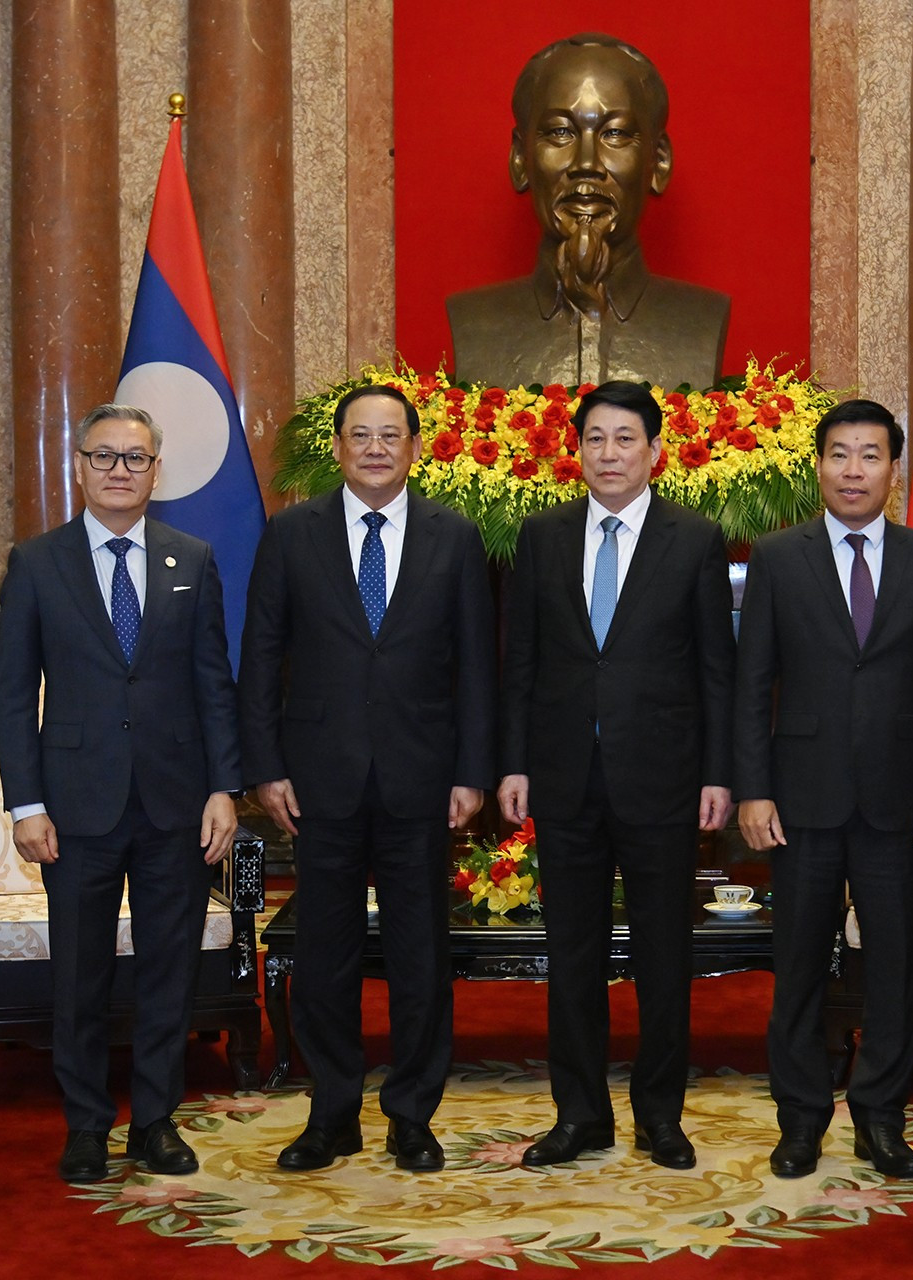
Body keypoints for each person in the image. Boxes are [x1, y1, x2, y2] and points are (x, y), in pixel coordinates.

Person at [238, 384, 497, 1173]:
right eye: (362, 435)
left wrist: (472, 771)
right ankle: (332, 1113)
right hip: (318, 780)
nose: (376, 448)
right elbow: (259, 659)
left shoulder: (455, 536)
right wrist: (264, 766)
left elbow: (478, 667)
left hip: (424, 779)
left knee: (422, 953)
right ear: (340, 448)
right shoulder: (291, 534)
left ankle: (413, 1115)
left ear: (415, 448)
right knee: (325, 953)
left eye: (392, 435)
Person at [0, 404, 241, 1185]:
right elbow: (11, 695)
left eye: (135, 459)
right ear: (78, 467)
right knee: (80, 976)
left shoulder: (190, 559)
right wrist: (25, 805)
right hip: (74, 808)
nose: (119, 471)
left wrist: (224, 788)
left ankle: (157, 1122)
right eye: (104, 457)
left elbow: (214, 685)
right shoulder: (37, 563)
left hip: (174, 804)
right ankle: (86, 1126)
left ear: (156, 471)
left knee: (169, 970)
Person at [498, 380, 734, 1170]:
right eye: (595, 438)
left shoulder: (695, 538)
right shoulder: (543, 534)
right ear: (578, 450)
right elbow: (519, 661)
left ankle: (660, 1116)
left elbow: (716, 671)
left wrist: (719, 774)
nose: (609, 453)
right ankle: (580, 1115)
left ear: (656, 451)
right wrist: (513, 763)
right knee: (572, 955)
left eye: (625, 438)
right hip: (565, 778)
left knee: (664, 956)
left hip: (664, 778)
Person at [734, 400, 913, 1180]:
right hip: (797, 801)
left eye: (871, 456)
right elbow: (752, 682)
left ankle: (881, 1119)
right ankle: (800, 1122)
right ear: (819, 465)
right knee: (798, 966)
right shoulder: (777, 555)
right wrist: (752, 791)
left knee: (894, 967)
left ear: (894, 470)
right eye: (840, 454)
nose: (854, 470)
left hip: (900, 803)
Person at [447, 32, 730, 391]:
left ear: (658, 162)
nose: (586, 163)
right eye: (560, 132)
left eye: (615, 134)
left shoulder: (702, 320)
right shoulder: (474, 322)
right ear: (520, 159)